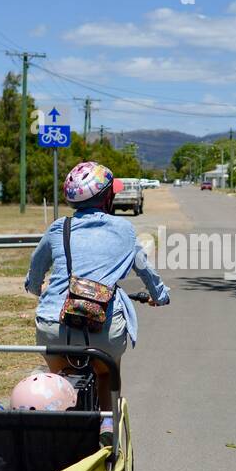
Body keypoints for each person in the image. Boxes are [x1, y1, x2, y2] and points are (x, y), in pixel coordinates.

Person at [24, 161, 169, 427]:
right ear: (107, 197)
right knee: (106, 373)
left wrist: (37, 290)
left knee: (58, 379)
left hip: (54, 326)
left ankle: (59, 423)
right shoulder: (124, 229)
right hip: (103, 329)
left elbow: (36, 268)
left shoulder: (59, 227)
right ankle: (108, 426)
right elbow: (144, 268)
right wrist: (159, 295)